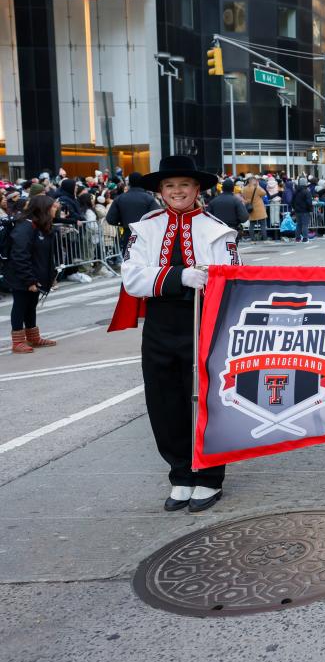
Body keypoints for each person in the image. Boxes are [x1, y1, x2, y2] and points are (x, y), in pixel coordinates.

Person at [112, 155, 241, 513]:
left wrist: (212, 277)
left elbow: (233, 275)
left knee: (204, 399)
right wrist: (177, 276)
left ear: (197, 189)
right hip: (159, 324)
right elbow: (133, 278)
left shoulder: (218, 229)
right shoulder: (144, 228)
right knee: (164, 400)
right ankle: (181, 472)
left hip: (204, 323)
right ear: (161, 191)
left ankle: (210, 475)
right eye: (170, 186)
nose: (177, 192)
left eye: (184, 185)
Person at [6, 195, 59, 353]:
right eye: (53, 207)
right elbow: (20, 255)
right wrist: (29, 281)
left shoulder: (41, 226)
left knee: (31, 306)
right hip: (21, 277)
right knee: (20, 306)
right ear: (43, 209)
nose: (56, 208)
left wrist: (50, 276)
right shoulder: (25, 227)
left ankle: (33, 337)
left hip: (34, 276)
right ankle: (18, 342)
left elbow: (43, 256)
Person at [105, 172, 156, 247]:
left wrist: (122, 222)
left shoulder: (120, 198)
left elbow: (110, 219)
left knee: (128, 257)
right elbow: (157, 215)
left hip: (128, 234)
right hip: (146, 235)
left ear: (129, 183)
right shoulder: (149, 198)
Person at [239, 175, 268, 242]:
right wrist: (258, 185)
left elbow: (243, 196)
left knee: (251, 225)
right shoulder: (256, 188)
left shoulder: (244, 188)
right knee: (263, 225)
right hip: (259, 208)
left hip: (250, 208)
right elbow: (264, 193)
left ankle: (253, 239)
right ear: (253, 181)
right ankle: (265, 239)